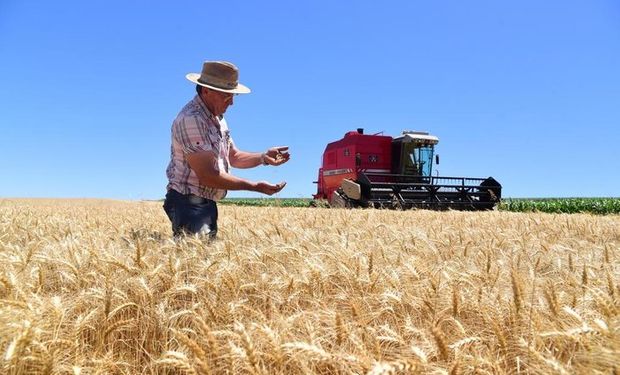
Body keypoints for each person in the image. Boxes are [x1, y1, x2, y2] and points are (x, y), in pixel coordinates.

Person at [163, 61, 290, 238]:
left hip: (205, 202)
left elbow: (234, 156)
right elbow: (208, 175)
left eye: (233, 95)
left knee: (203, 256)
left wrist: (263, 158)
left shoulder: (218, 119)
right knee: (198, 257)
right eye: (227, 96)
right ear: (206, 91)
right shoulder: (191, 120)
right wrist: (254, 187)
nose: (232, 102)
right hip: (187, 202)